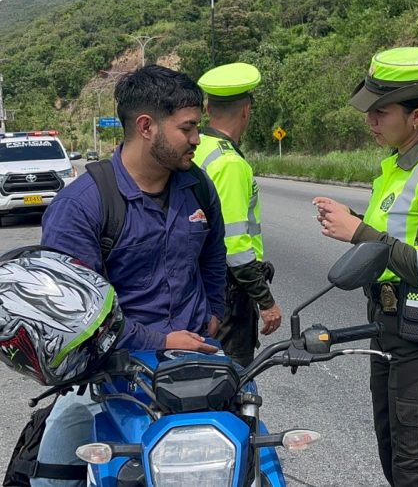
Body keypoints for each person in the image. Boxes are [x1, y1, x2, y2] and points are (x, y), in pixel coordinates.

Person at [33, 64, 228, 486]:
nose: (197, 139)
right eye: (188, 128)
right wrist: (159, 340)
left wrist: (215, 310)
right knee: (50, 477)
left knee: (252, 461)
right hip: (109, 373)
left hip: (197, 358)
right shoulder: (82, 206)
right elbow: (75, 316)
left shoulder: (196, 185)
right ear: (146, 127)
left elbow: (213, 252)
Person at [312, 47, 418, 487]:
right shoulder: (396, 166)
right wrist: (354, 222)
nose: (370, 121)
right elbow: (395, 239)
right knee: (397, 462)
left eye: (380, 111)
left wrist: (359, 233)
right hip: (392, 331)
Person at [193, 62, 283, 368]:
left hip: (201, 285)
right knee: (233, 381)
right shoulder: (229, 163)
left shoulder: (199, 146)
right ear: (246, 111)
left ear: (207, 108)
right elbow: (235, 245)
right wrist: (265, 300)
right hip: (229, 293)